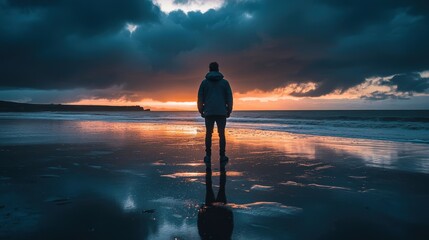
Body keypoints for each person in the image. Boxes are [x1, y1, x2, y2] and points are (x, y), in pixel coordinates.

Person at [197, 62, 233, 171]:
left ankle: (208, 156)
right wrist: (229, 110)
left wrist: (201, 110)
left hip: (209, 112)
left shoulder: (204, 83)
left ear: (209, 69)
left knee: (209, 134)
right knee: (221, 134)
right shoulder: (225, 83)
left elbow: (200, 98)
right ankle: (222, 156)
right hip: (221, 112)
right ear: (218, 69)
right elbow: (229, 98)